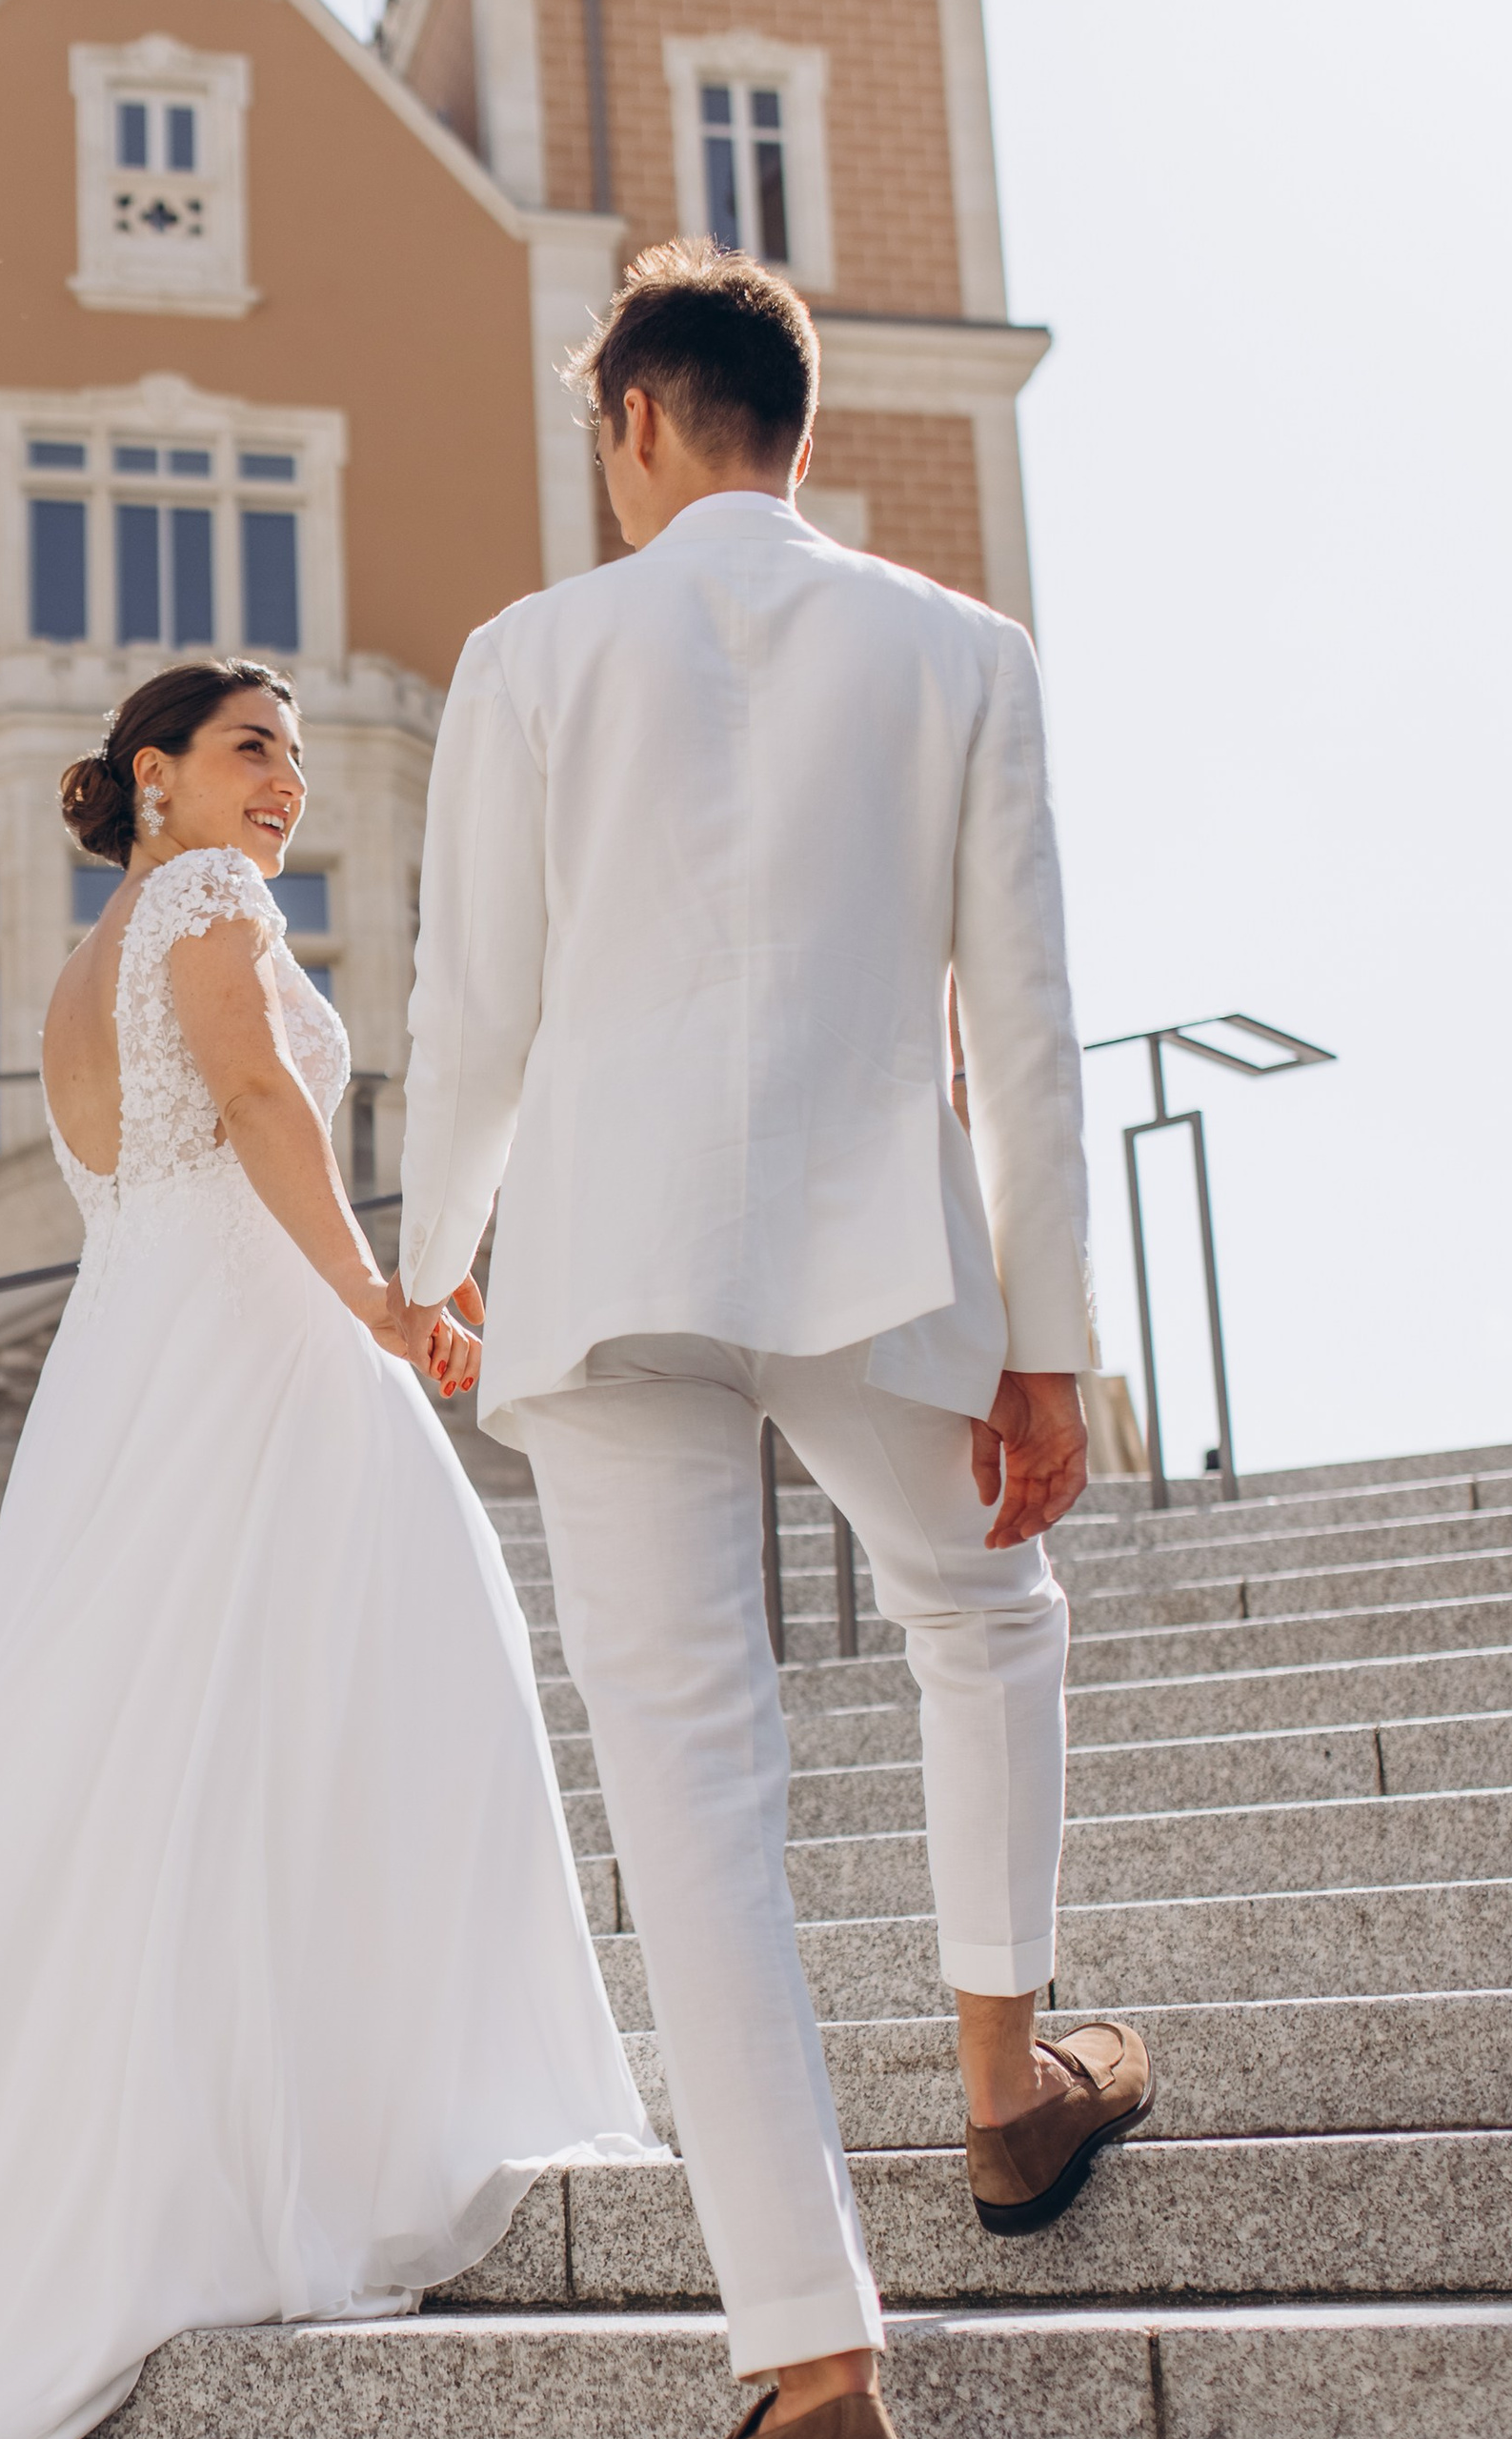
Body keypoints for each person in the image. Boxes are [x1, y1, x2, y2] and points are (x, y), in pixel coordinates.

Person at [0, 657, 664, 2439]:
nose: (286, 784)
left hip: (134, 1358)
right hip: (255, 1348)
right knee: (364, 1695)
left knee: (150, 1749)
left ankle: (217, 2125)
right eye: (252, 750)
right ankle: (358, 2120)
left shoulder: (85, 968)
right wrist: (384, 1299)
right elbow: (260, 1102)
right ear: (156, 774)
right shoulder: (211, 900)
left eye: (297, 758)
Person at [392, 241, 1155, 2438]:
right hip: (871, 1243)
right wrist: (1045, 1339)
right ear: (796, 427)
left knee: (685, 1785)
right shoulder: (961, 651)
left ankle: (809, 2352)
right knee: (984, 1615)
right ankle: (1002, 2085)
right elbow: (1025, 1025)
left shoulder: (524, 654)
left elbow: (472, 1004)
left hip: (601, 1258)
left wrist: (433, 1259)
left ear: (632, 419)